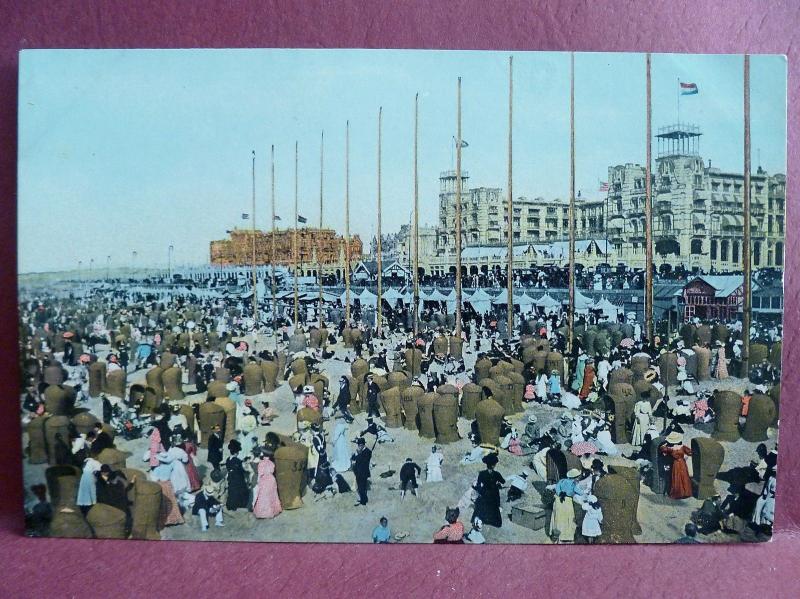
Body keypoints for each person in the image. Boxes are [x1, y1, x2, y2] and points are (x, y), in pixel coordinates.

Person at [472, 453, 505, 528]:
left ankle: (483, 520)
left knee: (483, 507)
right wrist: (498, 484)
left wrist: (480, 491)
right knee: (495, 508)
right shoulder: (497, 474)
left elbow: (478, 484)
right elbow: (503, 481)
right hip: (494, 493)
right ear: (494, 465)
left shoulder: (482, 473)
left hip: (485, 492)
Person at [660, 431, 693, 500]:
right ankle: (685, 492)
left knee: (677, 477)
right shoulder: (682, 447)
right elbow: (690, 452)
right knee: (683, 477)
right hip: (682, 463)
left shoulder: (671, 448)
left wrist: (666, 443)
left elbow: (662, 448)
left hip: (676, 463)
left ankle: (678, 492)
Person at [252, 453, 282, 519]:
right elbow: (272, 471)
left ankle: (263, 512)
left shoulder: (261, 463)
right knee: (272, 494)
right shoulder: (271, 463)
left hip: (264, 480)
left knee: (263, 496)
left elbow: (260, 474)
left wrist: (258, 482)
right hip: (271, 479)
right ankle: (273, 511)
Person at [225, 439, 250, 510]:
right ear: (236, 452)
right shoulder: (238, 461)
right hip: (238, 479)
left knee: (232, 492)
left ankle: (231, 505)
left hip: (230, 478)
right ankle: (241, 504)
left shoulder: (228, 459)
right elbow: (242, 470)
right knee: (241, 490)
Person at [351, 437, 372, 506]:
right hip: (358, 472)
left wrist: (358, 453)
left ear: (363, 445)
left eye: (360, 445)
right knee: (360, 487)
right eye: (358, 445)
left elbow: (363, 461)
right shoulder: (359, 451)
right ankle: (363, 499)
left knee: (362, 487)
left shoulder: (368, 452)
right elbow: (352, 458)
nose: (359, 446)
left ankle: (363, 502)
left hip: (363, 472)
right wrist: (356, 454)